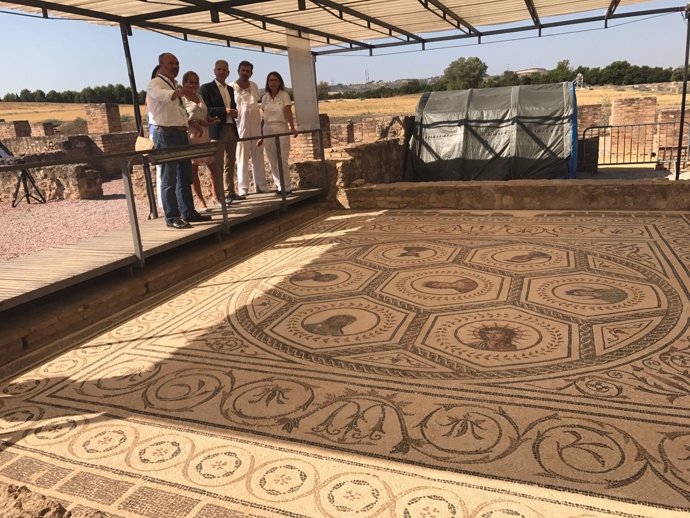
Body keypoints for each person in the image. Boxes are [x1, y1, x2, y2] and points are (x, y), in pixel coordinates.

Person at [146, 52, 211, 229]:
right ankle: (172, 216)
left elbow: (177, 111)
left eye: (177, 63)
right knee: (169, 178)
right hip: (166, 135)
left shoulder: (174, 84)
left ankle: (188, 211)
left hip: (180, 133)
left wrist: (190, 123)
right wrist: (179, 92)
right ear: (161, 65)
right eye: (171, 63)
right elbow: (162, 96)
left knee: (185, 175)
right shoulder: (155, 83)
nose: (175, 66)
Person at [200, 59, 244, 204]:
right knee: (217, 164)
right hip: (217, 129)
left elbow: (231, 106)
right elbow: (206, 109)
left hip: (231, 127)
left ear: (228, 72)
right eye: (219, 69)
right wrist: (224, 111)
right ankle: (217, 196)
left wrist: (234, 112)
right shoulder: (206, 88)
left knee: (230, 162)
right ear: (214, 71)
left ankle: (230, 192)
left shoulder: (230, 89)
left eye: (224, 70)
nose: (221, 72)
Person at [181, 70, 222, 211]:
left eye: (196, 82)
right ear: (184, 83)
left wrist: (210, 119)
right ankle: (200, 201)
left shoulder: (199, 96)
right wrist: (196, 121)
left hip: (204, 135)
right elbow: (182, 117)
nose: (193, 85)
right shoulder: (182, 99)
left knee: (213, 168)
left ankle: (216, 197)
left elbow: (204, 113)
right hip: (192, 136)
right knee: (193, 171)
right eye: (190, 82)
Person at [258, 71, 299, 196]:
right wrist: (261, 135)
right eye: (270, 80)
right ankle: (279, 186)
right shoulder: (264, 97)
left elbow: (287, 112)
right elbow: (263, 117)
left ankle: (287, 187)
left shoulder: (284, 95)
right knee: (272, 160)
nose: (272, 83)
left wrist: (292, 127)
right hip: (268, 129)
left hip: (281, 128)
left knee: (282, 158)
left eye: (275, 80)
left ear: (279, 82)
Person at [231, 61, 267, 196]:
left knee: (258, 155)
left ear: (251, 73)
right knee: (241, 157)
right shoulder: (231, 87)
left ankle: (261, 185)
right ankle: (243, 188)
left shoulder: (254, 86)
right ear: (238, 71)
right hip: (240, 126)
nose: (245, 73)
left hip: (255, 125)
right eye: (243, 70)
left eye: (248, 71)